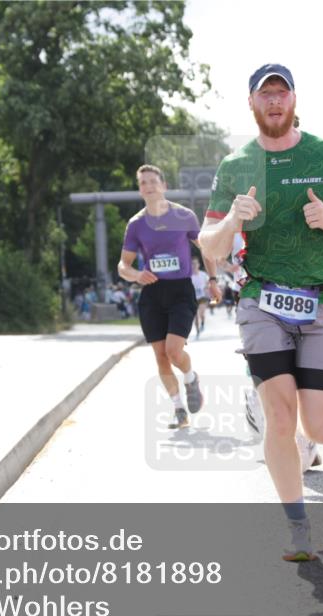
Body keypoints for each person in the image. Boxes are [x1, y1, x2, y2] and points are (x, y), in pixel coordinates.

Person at [199, 64, 323, 561]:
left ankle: (298, 430)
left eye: (282, 93)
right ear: (251, 105)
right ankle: (298, 527)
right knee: (280, 416)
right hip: (261, 300)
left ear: (294, 101)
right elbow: (210, 246)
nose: (274, 101)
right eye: (264, 94)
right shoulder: (236, 165)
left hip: (319, 301)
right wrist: (233, 218)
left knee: (320, 428)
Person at [117, 165, 221, 429]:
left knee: (175, 352)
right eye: (143, 183)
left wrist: (212, 280)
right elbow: (123, 265)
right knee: (161, 356)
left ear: (163, 185)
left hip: (180, 291)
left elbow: (206, 250)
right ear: (140, 189)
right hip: (152, 294)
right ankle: (178, 410)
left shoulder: (184, 216)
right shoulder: (136, 225)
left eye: (153, 181)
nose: (149, 186)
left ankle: (190, 377)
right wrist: (136, 275)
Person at [190, 257, 211, 338]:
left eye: (195, 263)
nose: (194, 265)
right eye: (192, 264)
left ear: (198, 265)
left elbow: (208, 283)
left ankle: (202, 323)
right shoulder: (189, 276)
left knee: (201, 313)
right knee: (195, 317)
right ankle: (197, 331)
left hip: (202, 297)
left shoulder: (203, 274)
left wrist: (206, 288)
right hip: (193, 298)